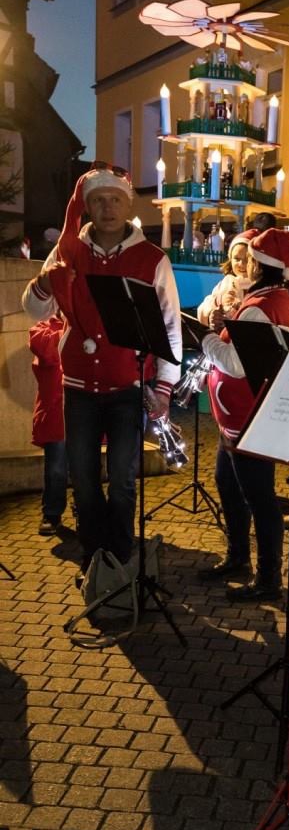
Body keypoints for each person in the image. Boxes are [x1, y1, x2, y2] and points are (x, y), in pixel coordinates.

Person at [22, 164, 182, 581]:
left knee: (124, 481)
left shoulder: (152, 259)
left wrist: (164, 388)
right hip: (78, 388)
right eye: (98, 200)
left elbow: (169, 327)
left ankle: (121, 559)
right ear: (87, 207)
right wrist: (46, 281)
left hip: (128, 386)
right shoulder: (69, 250)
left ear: (128, 206)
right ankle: (95, 561)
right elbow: (33, 308)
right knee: (84, 479)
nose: (107, 207)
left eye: (115, 200)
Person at [200, 228, 289, 601]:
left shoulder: (258, 307)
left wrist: (206, 338)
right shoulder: (271, 299)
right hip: (238, 419)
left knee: (258, 498)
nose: (246, 265)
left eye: (251, 259)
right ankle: (238, 555)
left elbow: (237, 365)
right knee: (227, 483)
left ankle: (268, 578)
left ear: (260, 264)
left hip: (247, 418)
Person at [29, 314, 68, 536]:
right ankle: (52, 514)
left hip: (85, 411)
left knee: (87, 469)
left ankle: (86, 512)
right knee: (56, 469)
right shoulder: (43, 328)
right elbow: (46, 350)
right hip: (56, 414)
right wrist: (72, 331)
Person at [196, 229, 256, 329]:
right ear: (230, 259)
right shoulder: (226, 283)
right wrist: (211, 315)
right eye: (237, 259)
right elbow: (206, 304)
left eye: (247, 259)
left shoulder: (258, 287)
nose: (241, 264)